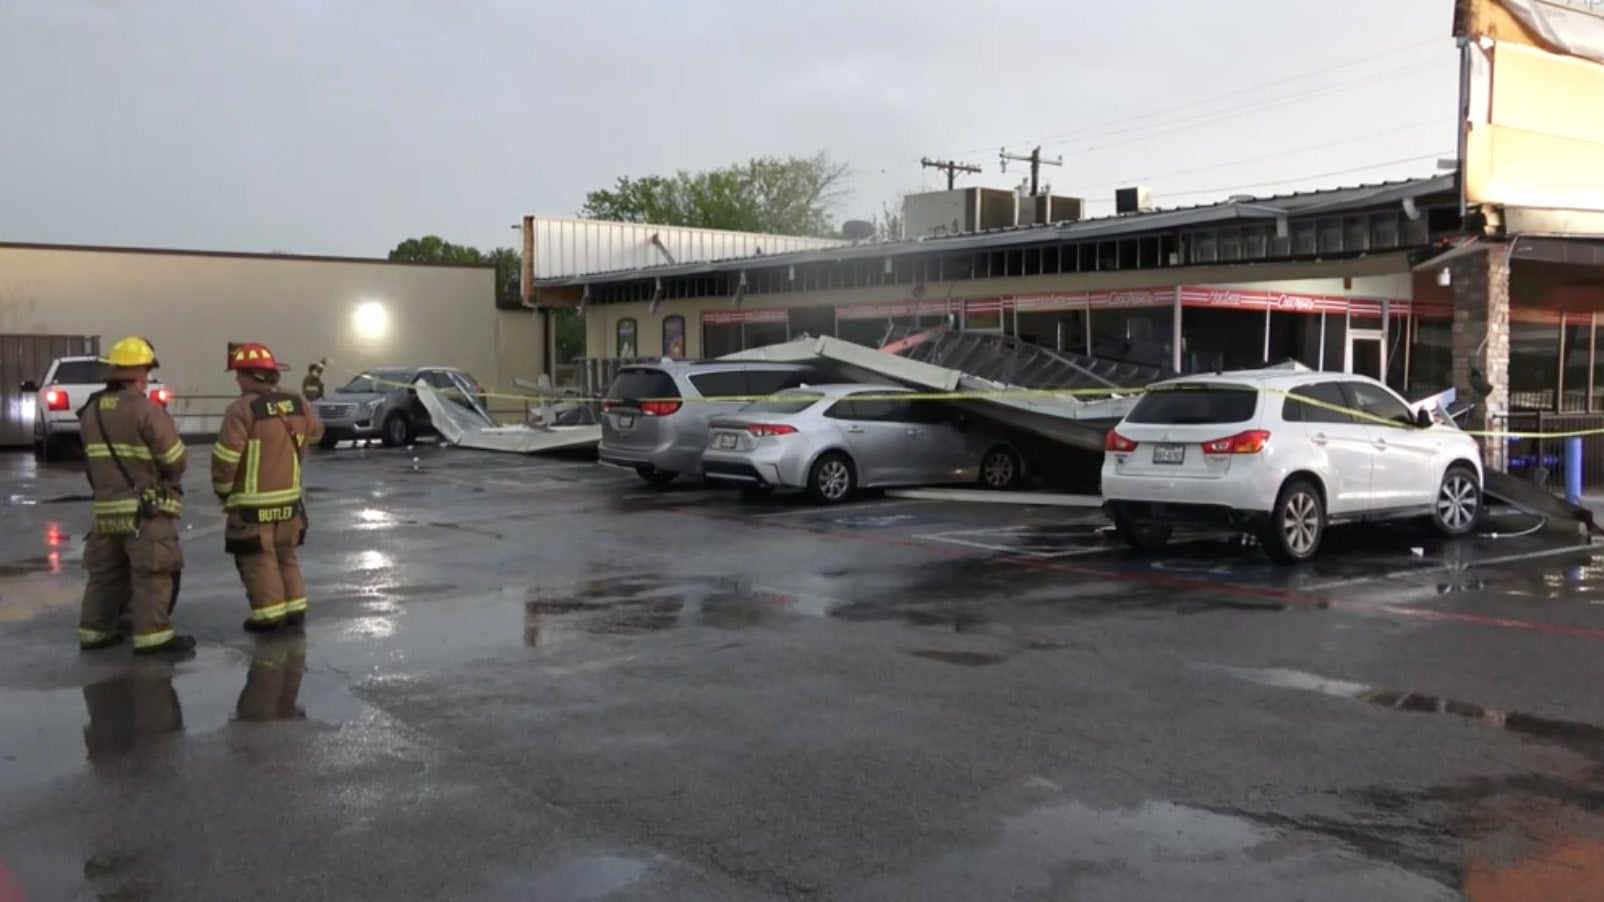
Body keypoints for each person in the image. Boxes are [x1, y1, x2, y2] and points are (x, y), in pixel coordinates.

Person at [75, 336, 193, 656]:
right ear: (141, 372)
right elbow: (176, 462)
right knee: (153, 574)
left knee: (104, 576)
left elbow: (90, 463)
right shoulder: (146, 411)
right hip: (144, 513)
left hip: (106, 512)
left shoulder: (91, 412)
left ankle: (93, 632)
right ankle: (153, 637)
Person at [212, 342, 324, 632]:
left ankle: (269, 616)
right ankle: (295, 609)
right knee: (286, 556)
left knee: (259, 561)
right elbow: (316, 432)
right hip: (290, 502)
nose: (237, 380)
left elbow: (226, 459)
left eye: (239, 374)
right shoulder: (298, 402)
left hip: (252, 505)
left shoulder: (241, 409)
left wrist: (224, 493)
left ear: (253, 376)